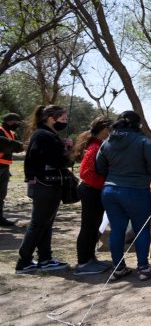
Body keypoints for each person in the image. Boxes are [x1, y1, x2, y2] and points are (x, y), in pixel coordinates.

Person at [97, 111, 151, 280]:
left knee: (117, 229)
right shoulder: (143, 141)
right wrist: (145, 177)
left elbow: (100, 167)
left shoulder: (107, 142)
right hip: (136, 191)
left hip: (110, 191)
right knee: (142, 229)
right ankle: (143, 268)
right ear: (138, 125)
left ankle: (118, 268)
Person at [15, 105, 73, 274]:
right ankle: (24, 261)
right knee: (39, 223)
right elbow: (57, 160)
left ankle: (45, 259)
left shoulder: (46, 135)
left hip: (47, 184)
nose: (65, 122)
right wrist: (68, 150)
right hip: (45, 185)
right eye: (62, 119)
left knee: (45, 224)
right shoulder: (43, 135)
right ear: (50, 118)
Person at [70, 116, 113, 275]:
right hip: (90, 191)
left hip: (95, 191)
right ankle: (83, 263)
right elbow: (86, 173)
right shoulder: (95, 147)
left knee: (94, 227)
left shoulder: (99, 145)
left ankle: (90, 258)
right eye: (111, 129)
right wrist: (104, 183)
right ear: (105, 129)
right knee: (88, 228)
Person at [1, 113, 24, 226]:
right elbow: (5, 143)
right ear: (9, 121)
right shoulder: (0, 131)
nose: (18, 124)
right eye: (17, 122)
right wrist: (20, 145)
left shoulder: (12, 133)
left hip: (5, 166)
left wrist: (21, 146)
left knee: (1, 193)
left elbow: (15, 148)